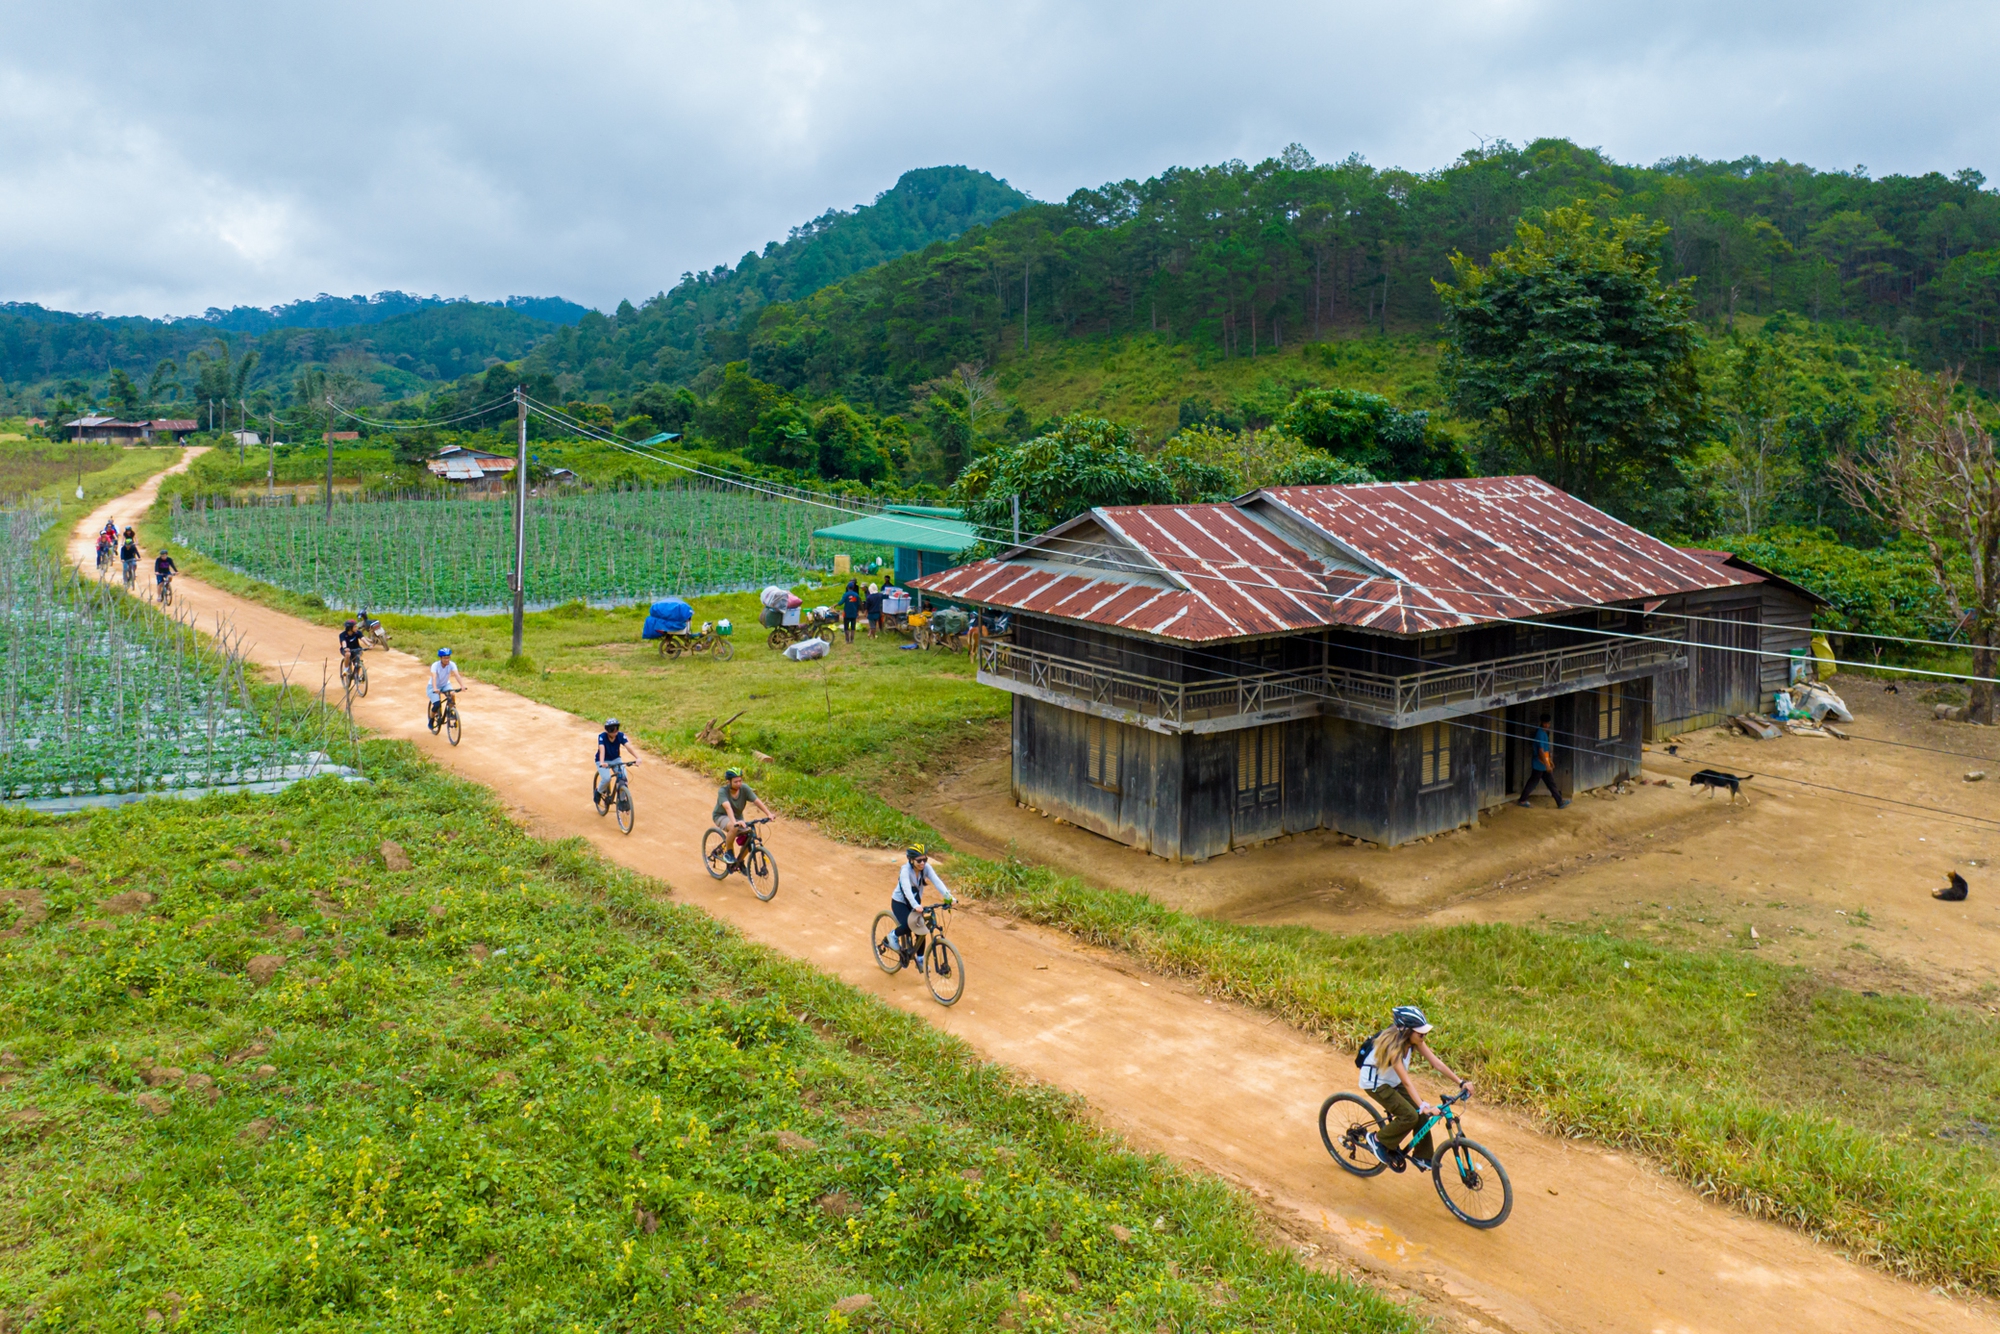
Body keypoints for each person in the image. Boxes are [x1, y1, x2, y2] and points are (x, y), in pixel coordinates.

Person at [1360, 1006, 1472, 1173]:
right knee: (1410, 1115)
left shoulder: (1413, 1040)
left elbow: (1437, 1064)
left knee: (1420, 1115)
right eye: (1421, 1033)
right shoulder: (1394, 1048)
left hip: (1392, 1080)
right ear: (1407, 1032)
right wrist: (1423, 1106)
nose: (1424, 1036)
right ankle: (1378, 1140)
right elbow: (1407, 1082)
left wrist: (1460, 1081)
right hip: (1377, 1084)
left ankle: (1423, 1156)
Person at [890, 844, 956, 965]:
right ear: (911, 860)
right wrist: (915, 905)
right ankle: (893, 936)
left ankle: (920, 959)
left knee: (922, 929)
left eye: (924, 859)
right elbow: (906, 890)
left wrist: (949, 898)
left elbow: (937, 882)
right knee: (907, 925)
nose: (922, 863)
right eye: (919, 860)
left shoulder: (926, 868)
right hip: (900, 902)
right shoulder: (905, 870)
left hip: (915, 903)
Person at [712, 767, 775, 865]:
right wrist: (735, 822)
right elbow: (728, 808)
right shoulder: (723, 792)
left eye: (740, 781)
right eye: (735, 782)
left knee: (750, 837)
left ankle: (740, 862)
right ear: (729, 782)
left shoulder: (744, 789)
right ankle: (729, 853)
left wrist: (769, 814)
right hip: (721, 816)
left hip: (737, 818)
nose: (738, 784)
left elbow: (756, 801)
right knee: (734, 827)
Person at [1518, 713, 1568, 808]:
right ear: (1541, 723)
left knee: (1550, 783)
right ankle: (1522, 800)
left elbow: (1545, 750)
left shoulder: (1543, 733)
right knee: (1534, 782)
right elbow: (1541, 751)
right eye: (1545, 723)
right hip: (1540, 763)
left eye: (1548, 723)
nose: (1547, 725)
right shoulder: (1540, 734)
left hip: (1542, 763)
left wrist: (1549, 761)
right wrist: (1547, 765)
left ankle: (1560, 802)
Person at [594, 717, 641, 801]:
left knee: (623, 778)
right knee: (606, 779)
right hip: (603, 760)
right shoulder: (602, 737)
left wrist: (637, 757)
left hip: (616, 759)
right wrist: (601, 762)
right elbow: (602, 749)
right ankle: (598, 792)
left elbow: (628, 746)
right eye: (612, 729)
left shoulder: (620, 735)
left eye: (616, 729)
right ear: (607, 730)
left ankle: (623, 801)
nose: (615, 732)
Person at [426, 647, 468, 728]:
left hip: (445, 684)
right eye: (445, 658)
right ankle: (431, 720)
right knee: (437, 705)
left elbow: (456, 675)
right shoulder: (435, 665)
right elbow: (434, 677)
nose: (447, 660)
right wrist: (435, 688)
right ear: (440, 658)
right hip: (433, 686)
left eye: (448, 657)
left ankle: (452, 711)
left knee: (452, 694)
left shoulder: (452, 664)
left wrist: (462, 685)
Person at [839, 579, 863, 644]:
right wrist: (859, 611)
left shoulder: (846, 595)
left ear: (847, 587)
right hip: (853, 613)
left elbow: (841, 602)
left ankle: (847, 640)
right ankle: (852, 640)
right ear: (853, 587)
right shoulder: (856, 595)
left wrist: (835, 605)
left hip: (846, 613)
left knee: (846, 627)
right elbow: (859, 604)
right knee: (853, 627)